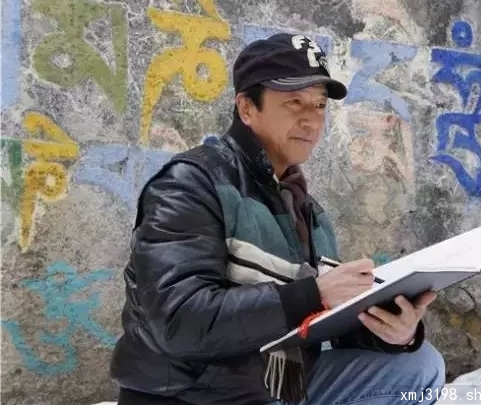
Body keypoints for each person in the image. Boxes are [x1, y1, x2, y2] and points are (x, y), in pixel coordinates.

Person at [109, 33, 445, 405]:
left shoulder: (306, 209)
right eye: (294, 102)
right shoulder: (191, 185)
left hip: (277, 387)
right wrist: (311, 294)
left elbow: (323, 319)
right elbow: (178, 321)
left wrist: (392, 329)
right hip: (194, 397)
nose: (311, 120)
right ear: (246, 108)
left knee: (419, 366)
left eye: (319, 105)